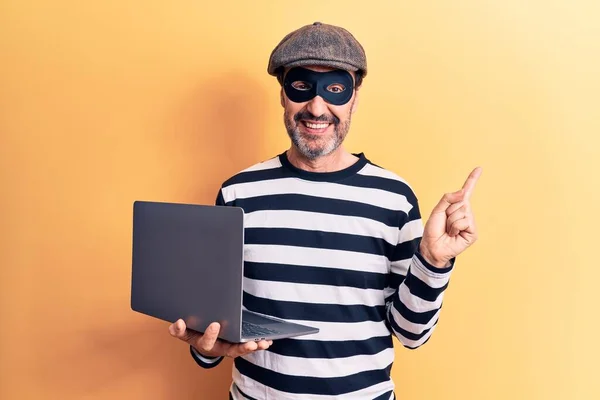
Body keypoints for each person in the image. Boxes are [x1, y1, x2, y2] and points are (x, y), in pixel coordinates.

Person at [169, 21, 481, 399]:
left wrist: (432, 260)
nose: (317, 107)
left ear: (354, 97)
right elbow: (216, 330)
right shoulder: (239, 193)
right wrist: (204, 348)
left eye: (335, 89)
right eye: (301, 87)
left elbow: (411, 334)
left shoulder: (394, 198)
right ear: (283, 95)